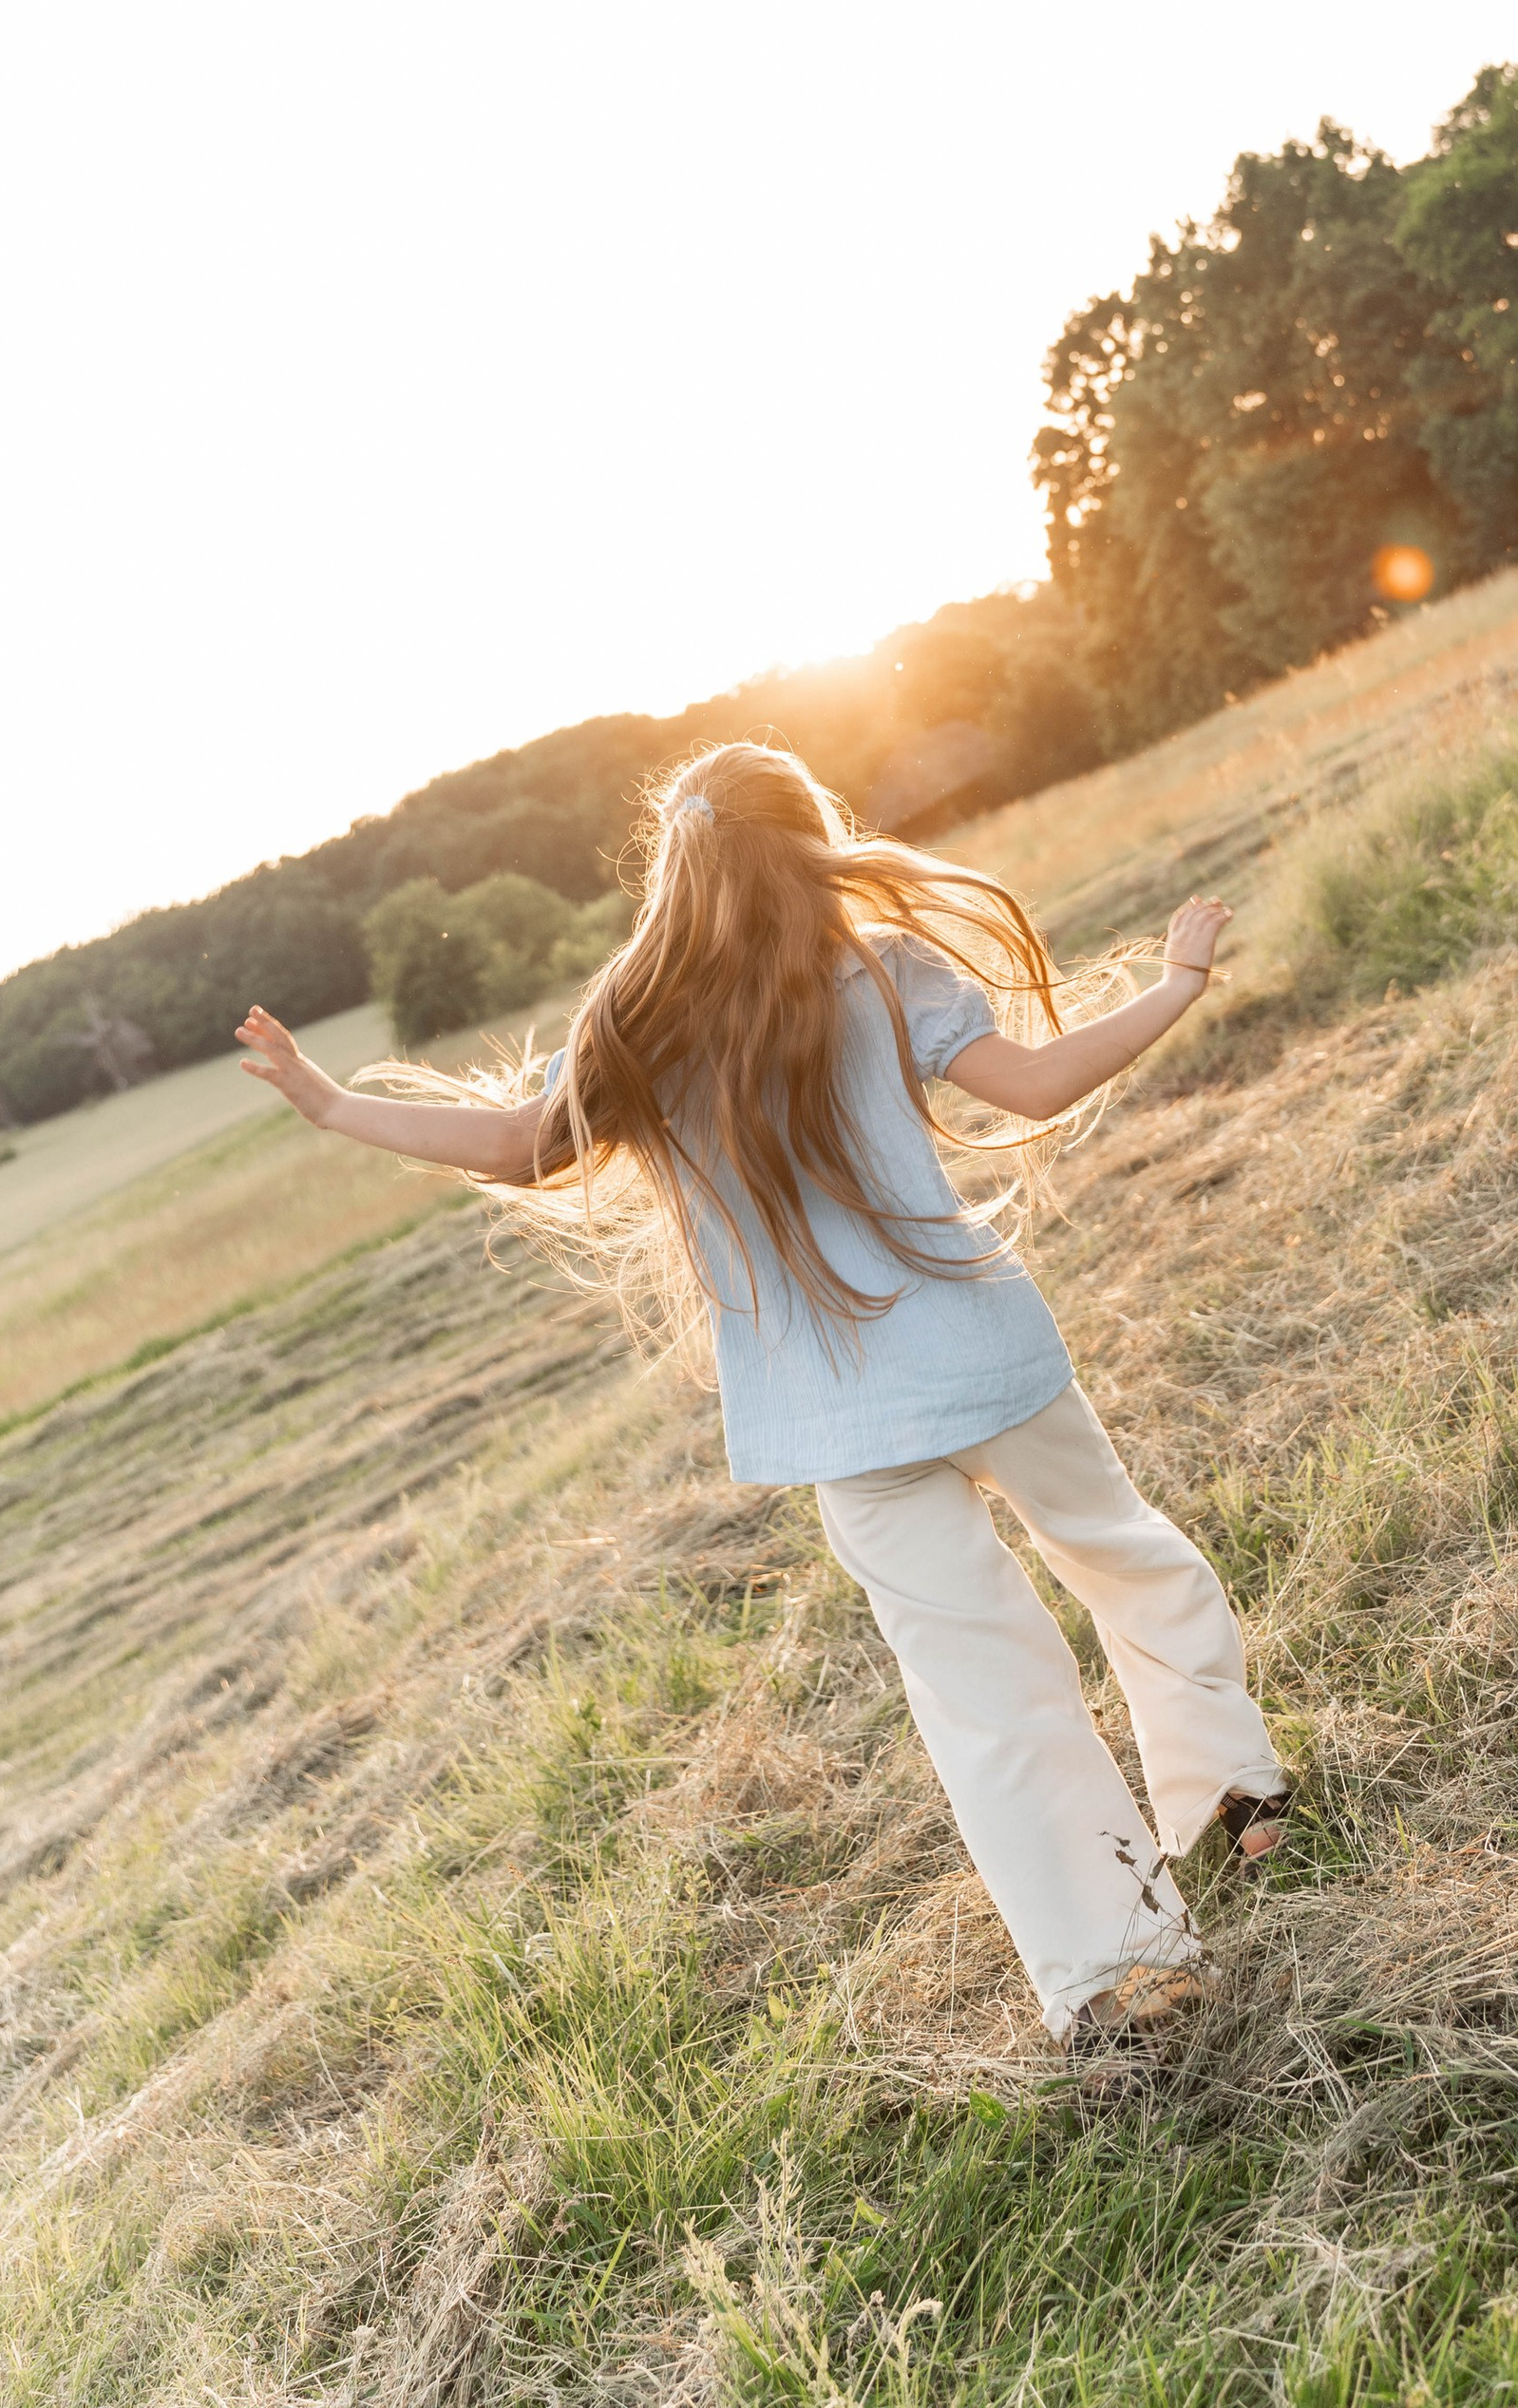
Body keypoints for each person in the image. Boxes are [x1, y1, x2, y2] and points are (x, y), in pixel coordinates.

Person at [237, 739, 1287, 2055]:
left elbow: (516, 1145)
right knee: (1123, 1557)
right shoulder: (886, 969)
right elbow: (1042, 1082)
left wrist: (336, 1107)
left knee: (985, 1694)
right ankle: (1232, 1795)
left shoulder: (635, 1019)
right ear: (814, 839)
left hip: (843, 1421)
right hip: (987, 1356)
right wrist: (1179, 979)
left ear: (675, 863)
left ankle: (1119, 1975)